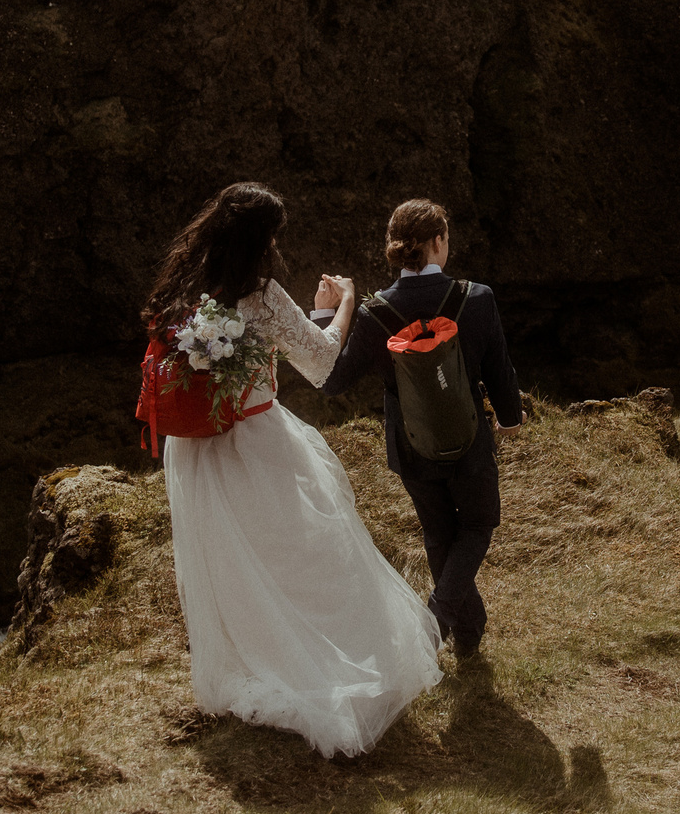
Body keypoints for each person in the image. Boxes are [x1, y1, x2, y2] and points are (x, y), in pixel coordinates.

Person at [138, 182, 440, 756]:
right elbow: (323, 364)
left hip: (199, 447)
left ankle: (253, 661)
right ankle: (317, 665)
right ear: (261, 239)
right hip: (256, 437)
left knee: (231, 562)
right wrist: (343, 302)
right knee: (303, 554)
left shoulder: (185, 291)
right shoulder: (263, 296)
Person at [317, 199, 523, 659]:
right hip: (470, 441)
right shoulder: (478, 298)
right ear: (437, 242)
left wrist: (325, 316)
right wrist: (510, 418)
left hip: (412, 447)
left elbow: (332, 382)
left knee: (438, 535)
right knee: (478, 524)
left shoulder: (375, 313)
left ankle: (467, 634)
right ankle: (436, 622)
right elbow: (499, 370)